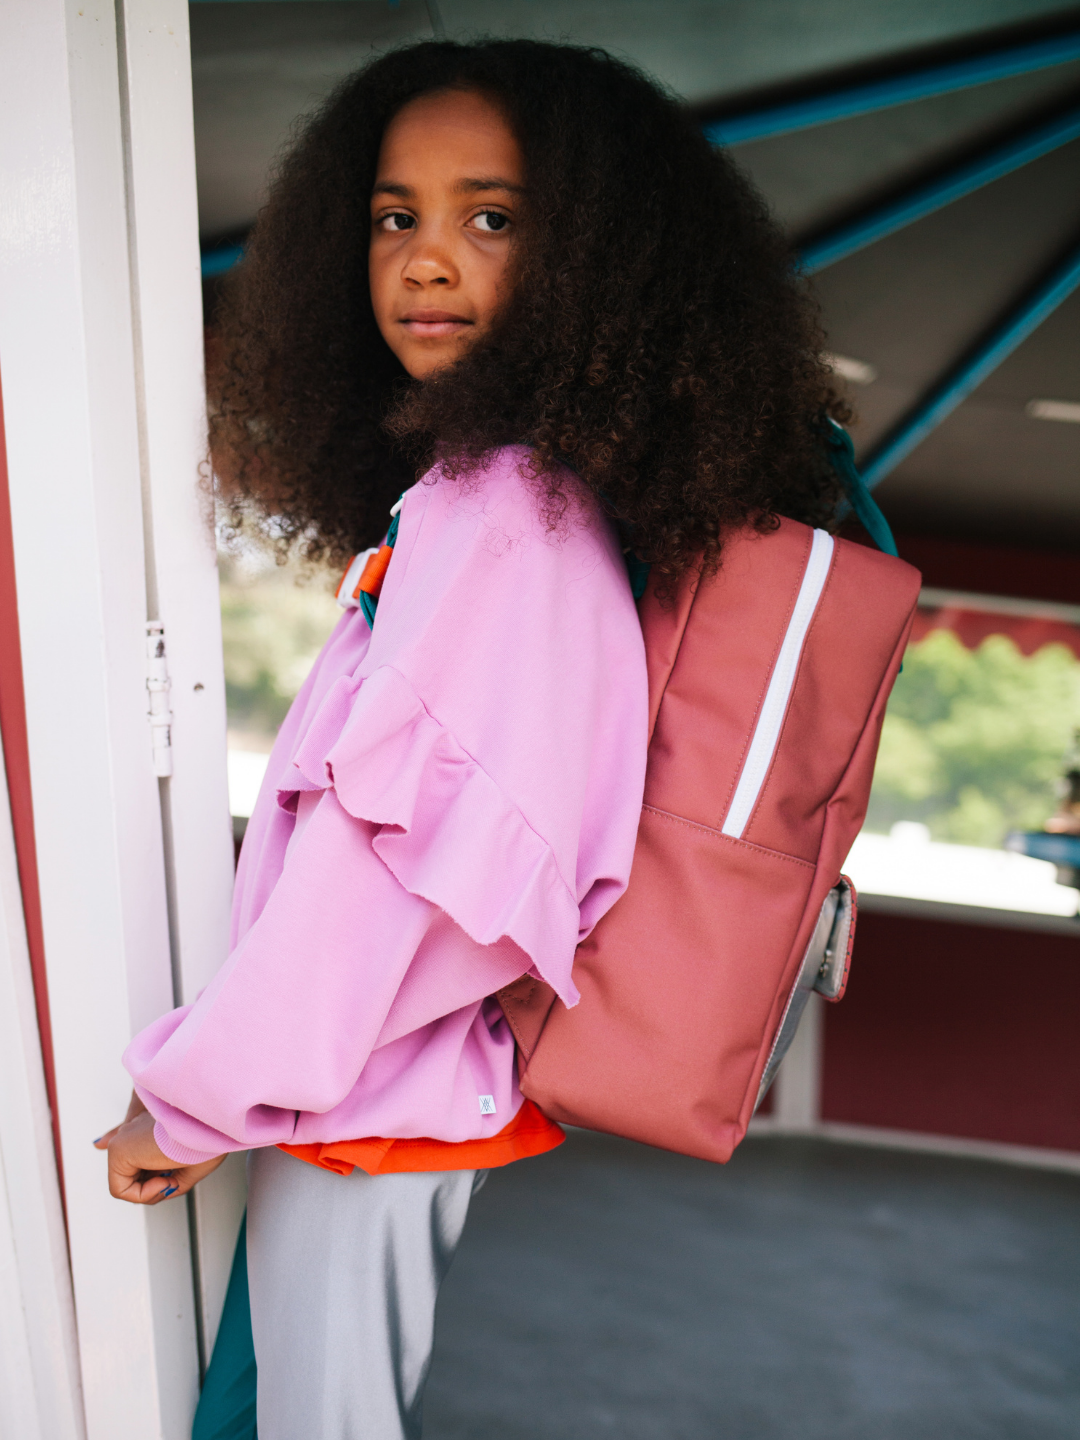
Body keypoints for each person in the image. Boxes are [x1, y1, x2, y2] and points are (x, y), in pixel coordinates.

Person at [96, 38, 846, 1440]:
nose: (426, 261)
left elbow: (404, 887)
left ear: (598, 262)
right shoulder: (498, 502)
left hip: (363, 1120)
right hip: (361, 1111)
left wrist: (196, 1098)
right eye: (397, 216)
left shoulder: (503, 514)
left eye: (490, 218)